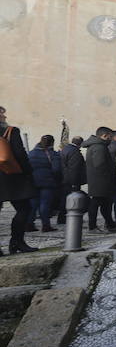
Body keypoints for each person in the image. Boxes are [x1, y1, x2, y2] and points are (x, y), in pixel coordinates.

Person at [0, 106, 37, 254]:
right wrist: (28, 173)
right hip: (11, 176)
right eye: (2, 113)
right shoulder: (11, 131)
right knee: (24, 209)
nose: (5, 116)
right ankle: (17, 242)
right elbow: (20, 154)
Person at [84, 127, 116, 232]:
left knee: (105, 204)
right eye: (110, 137)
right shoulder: (99, 147)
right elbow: (100, 165)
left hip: (99, 180)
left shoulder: (98, 146)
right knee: (96, 203)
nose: (111, 139)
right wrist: (109, 175)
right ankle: (92, 226)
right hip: (100, 181)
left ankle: (110, 225)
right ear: (104, 136)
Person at [27, 135, 62, 232]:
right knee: (45, 204)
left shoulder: (31, 153)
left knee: (33, 204)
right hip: (47, 181)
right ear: (52, 143)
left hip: (33, 181)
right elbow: (56, 169)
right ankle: (46, 225)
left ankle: (29, 224)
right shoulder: (52, 154)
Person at [56, 136, 86, 226]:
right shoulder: (74, 152)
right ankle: (68, 217)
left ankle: (62, 218)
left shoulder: (65, 149)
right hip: (71, 180)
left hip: (65, 179)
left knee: (65, 199)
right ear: (80, 143)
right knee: (72, 200)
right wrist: (74, 182)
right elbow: (74, 168)